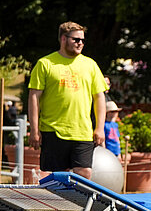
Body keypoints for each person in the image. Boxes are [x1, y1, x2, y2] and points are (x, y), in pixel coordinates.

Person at [27, 22, 107, 180]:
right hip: (53, 129)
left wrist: (100, 128)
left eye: (83, 40)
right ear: (63, 39)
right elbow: (34, 97)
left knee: (84, 173)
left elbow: (99, 98)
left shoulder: (90, 65)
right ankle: (59, 205)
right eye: (76, 39)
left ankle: (78, 205)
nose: (80, 43)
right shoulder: (45, 64)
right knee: (57, 177)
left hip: (82, 131)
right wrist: (35, 130)